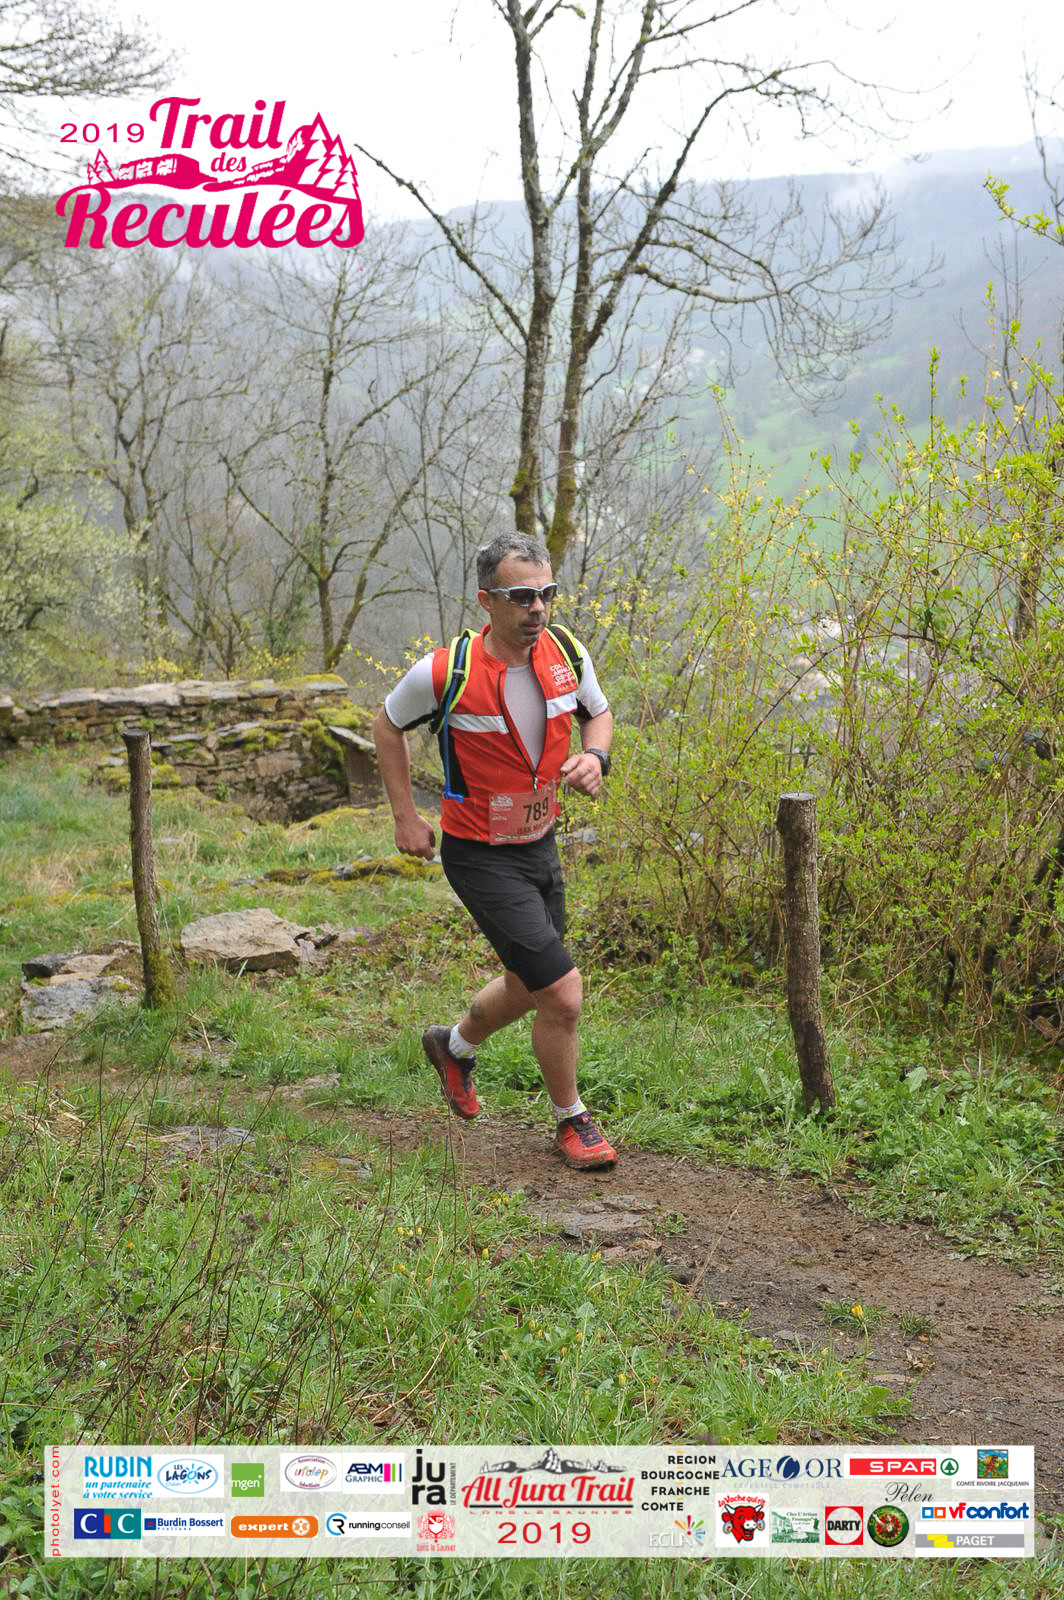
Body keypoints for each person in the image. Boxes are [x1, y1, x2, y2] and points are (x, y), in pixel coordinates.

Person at [372, 533, 617, 1169]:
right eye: (522, 597)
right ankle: (572, 1120)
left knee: (528, 983)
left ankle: (453, 1047)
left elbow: (599, 713)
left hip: (540, 842)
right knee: (561, 992)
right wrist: (405, 815)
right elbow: (386, 725)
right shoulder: (445, 671)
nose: (538, 608)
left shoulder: (566, 652)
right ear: (487, 601)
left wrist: (595, 756)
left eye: (547, 594)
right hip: (479, 854)